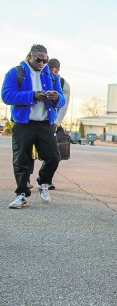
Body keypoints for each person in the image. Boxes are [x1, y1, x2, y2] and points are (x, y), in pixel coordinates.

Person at [1, 44, 65, 208]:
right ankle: (22, 194)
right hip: (24, 123)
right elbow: (6, 96)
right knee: (21, 159)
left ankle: (43, 182)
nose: (42, 63)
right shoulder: (16, 73)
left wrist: (56, 97)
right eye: (38, 59)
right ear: (29, 56)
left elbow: (62, 100)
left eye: (45, 60)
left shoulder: (52, 76)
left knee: (54, 157)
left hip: (45, 123)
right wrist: (33, 95)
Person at [45, 58, 71, 190]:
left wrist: (56, 122)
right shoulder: (39, 78)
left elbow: (64, 106)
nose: (53, 72)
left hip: (53, 121)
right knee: (29, 152)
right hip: (36, 121)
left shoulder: (63, 83)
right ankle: (26, 180)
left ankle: (47, 179)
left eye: (56, 70)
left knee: (53, 153)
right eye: (51, 69)